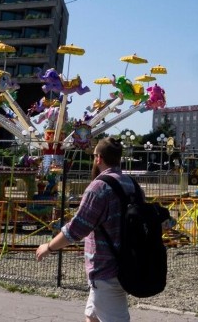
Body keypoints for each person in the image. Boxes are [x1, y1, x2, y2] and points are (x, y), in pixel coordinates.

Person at [36, 137, 133, 322]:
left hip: (105, 269)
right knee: (91, 316)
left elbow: (77, 228)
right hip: (127, 262)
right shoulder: (131, 184)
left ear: (98, 158)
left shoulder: (99, 187)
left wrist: (48, 247)